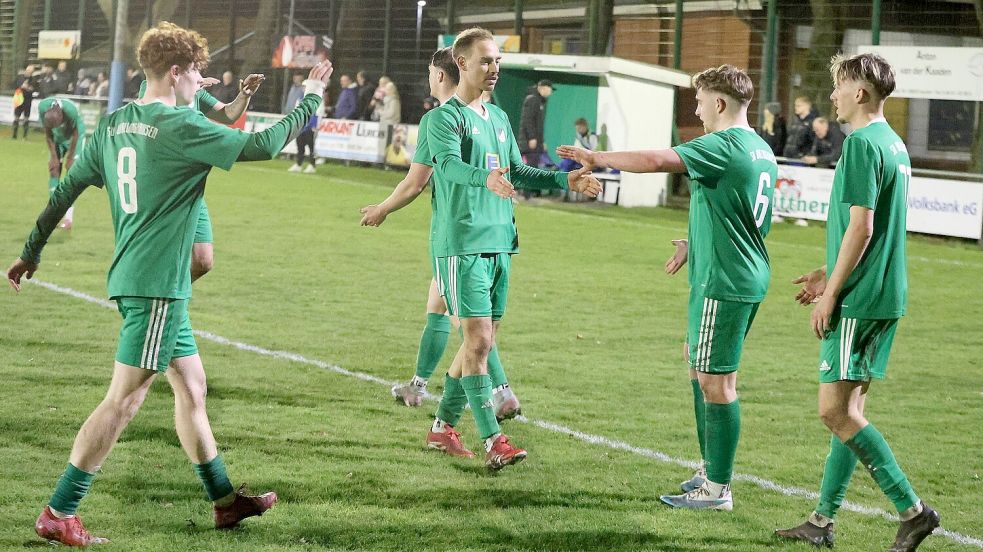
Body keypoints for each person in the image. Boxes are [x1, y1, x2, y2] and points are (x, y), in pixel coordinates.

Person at [6, 21, 331, 546]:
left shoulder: (113, 125)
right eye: (197, 72)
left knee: (192, 388)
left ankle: (225, 502)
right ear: (176, 73)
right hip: (157, 284)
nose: (200, 82)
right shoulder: (181, 127)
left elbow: (65, 189)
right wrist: (310, 96)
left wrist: (30, 251)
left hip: (147, 280)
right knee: (124, 401)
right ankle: (59, 511)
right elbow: (265, 144)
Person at [558, 64, 777, 510]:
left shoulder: (725, 143)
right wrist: (693, 244)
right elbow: (737, 213)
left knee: (717, 381)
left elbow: (659, 160)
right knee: (700, 366)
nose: (696, 109)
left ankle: (717, 488)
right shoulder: (759, 147)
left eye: (699, 101)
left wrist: (598, 158)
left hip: (726, 279)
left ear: (719, 103)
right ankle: (708, 471)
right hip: (730, 270)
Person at [775, 52, 939, 552]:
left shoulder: (863, 145)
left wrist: (832, 292)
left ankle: (913, 511)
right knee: (850, 410)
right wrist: (828, 270)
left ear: (860, 93)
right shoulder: (895, 144)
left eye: (839, 87)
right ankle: (822, 521)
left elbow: (863, 226)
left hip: (861, 299)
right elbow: (877, 228)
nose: (833, 96)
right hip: (885, 291)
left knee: (835, 413)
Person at [425, 27, 601, 470]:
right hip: (461, 244)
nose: (495, 68)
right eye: (486, 61)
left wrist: (566, 180)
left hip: (501, 242)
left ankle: (443, 426)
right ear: (461, 64)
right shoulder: (442, 119)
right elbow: (446, 165)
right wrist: (483, 177)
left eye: (498, 61)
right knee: (478, 341)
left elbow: (519, 172)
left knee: (478, 346)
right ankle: (493, 440)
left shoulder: (499, 118)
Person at [360, 48, 524, 432]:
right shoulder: (478, 115)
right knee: (441, 311)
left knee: (472, 329)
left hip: (463, 239)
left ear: (441, 74)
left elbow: (417, 182)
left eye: (430, 72)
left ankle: (499, 392)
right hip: (485, 234)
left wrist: (382, 208)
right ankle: (422, 392)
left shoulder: (446, 119)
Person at [38, 97, 86, 230]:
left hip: (74, 138)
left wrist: (70, 157)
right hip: (57, 139)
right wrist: (54, 157)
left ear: (61, 115)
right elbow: (48, 133)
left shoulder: (70, 110)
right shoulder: (43, 108)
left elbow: (76, 133)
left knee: (71, 174)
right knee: (53, 170)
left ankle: (68, 218)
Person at [519, 79, 553, 168]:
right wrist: (532, 137)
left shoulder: (539, 101)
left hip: (535, 144)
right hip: (529, 144)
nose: (550, 93)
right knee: (531, 169)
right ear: (543, 88)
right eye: (550, 89)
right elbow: (528, 120)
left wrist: (542, 142)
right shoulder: (533, 99)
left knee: (534, 168)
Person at [289, 106, 318, 173]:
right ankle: (298, 164)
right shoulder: (300, 99)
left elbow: (317, 114)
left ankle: (312, 165)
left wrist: (314, 125)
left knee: (311, 148)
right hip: (301, 128)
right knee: (300, 147)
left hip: (310, 128)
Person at [12, 64, 38, 139]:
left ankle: (24, 136)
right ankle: (14, 135)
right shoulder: (20, 77)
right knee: (16, 117)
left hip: (27, 100)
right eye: (28, 70)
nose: (29, 72)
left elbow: (34, 89)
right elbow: (14, 85)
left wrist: (29, 88)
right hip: (19, 99)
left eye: (31, 71)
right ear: (26, 70)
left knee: (26, 118)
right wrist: (21, 86)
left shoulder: (34, 79)